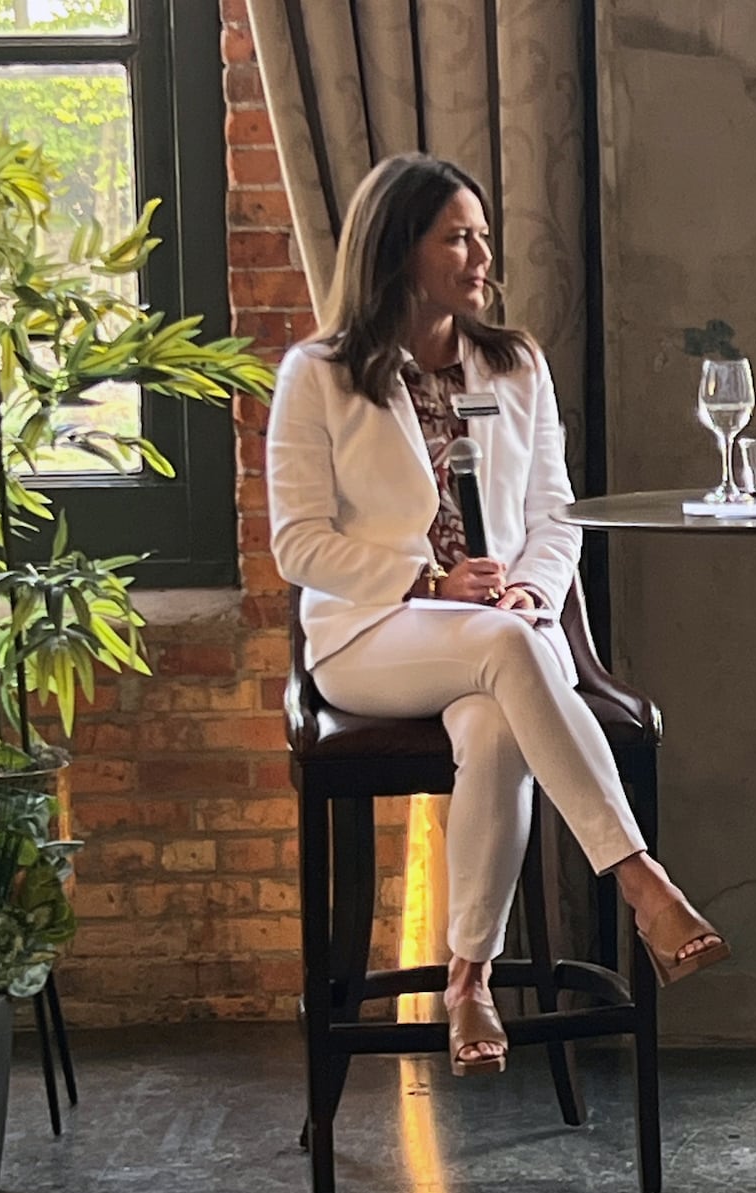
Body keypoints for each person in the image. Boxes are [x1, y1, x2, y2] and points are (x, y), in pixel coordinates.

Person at [267, 154, 730, 1076]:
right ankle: (641, 879)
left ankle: (468, 975)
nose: (482, 253)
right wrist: (426, 582)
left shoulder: (513, 364)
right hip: (370, 635)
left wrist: (531, 588)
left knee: (494, 726)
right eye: (458, 236)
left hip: (501, 634)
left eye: (482, 234)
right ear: (402, 250)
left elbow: (557, 514)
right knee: (507, 654)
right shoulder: (319, 374)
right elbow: (299, 545)